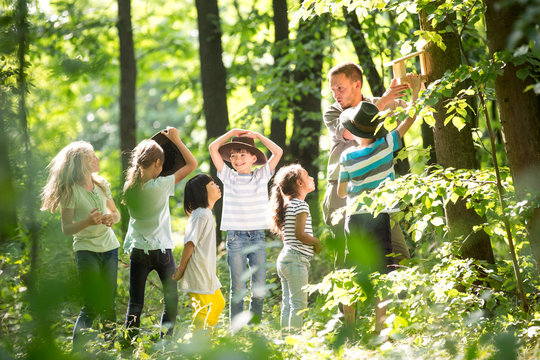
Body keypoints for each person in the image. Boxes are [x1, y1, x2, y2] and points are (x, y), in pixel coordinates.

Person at [337, 74, 422, 331]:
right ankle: (380, 329)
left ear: (353, 131)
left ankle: (348, 328)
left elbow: (341, 193)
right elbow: (410, 119)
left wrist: (357, 185)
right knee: (383, 271)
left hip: (355, 218)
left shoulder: (347, 156)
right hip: (380, 216)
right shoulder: (386, 145)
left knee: (354, 270)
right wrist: (416, 92)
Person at [323, 61, 412, 267]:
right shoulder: (333, 112)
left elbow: (410, 113)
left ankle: (397, 299)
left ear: (357, 85)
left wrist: (414, 88)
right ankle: (348, 299)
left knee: (397, 255)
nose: (336, 94)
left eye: (340, 88)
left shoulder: (379, 103)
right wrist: (385, 100)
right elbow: (349, 131)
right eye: (333, 89)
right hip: (341, 190)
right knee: (349, 262)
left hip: (379, 192)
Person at [40, 141, 121, 351]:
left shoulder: (102, 183)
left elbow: (116, 213)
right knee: (92, 305)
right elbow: (67, 228)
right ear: (81, 164)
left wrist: (111, 219)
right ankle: (76, 352)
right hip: (86, 251)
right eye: (92, 157)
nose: (97, 159)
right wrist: (88, 221)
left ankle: (110, 351)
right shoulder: (70, 191)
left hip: (110, 248)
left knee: (109, 304)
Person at [123, 127, 197, 338]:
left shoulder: (130, 187)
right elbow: (192, 164)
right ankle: (165, 343)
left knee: (135, 302)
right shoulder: (162, 185)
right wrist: (176, 139)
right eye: (162, 164)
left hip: (138, 250)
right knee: (170, 298)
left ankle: (129, 344)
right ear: (157, 163)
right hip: (162, 251)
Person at [209, 129, 283, 325]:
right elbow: (213, 148)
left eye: (243, 155)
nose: (237, 159)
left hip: (257, 237)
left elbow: (278, 152)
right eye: (233, 156)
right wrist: (231, 132)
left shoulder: (261, 176)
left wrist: (259, 137)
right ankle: (236, 330)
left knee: (258, 286)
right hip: (235, 238)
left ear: (253, 158)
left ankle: (254, 327)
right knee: (238, 287)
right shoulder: (228, 176)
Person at [269, 164, 322, 334]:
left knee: (288, 303)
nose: (312, 178)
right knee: (299, 304)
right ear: (299, 183)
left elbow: (289, 236)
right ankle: (295, 342)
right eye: (308, 176)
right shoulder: (301, 206)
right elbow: (300, 235)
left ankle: (285, 340)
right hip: (296, 259)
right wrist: (316, 242)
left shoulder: (287, 206)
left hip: (285, 259)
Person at [172, 174, 225, 331]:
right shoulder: (200, 214)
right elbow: (190, 243)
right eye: (212, 184)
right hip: (198, 271)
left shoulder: (205, 213)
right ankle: (198, 345)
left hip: (206, 271)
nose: (217, 186)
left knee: (219, 304)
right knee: (200, 311)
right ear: (203, 191)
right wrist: (181, 269)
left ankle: (207, 338)